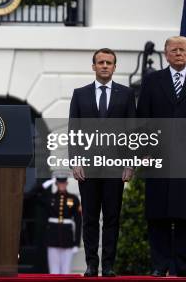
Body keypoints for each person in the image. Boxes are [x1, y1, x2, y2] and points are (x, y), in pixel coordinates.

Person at [137, 36, 186, 277]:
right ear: (166, 54)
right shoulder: (152, 81)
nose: (179, 54)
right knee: (158, 212)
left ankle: (185, 265)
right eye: (174, 50)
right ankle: (160, 264)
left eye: (183, 50)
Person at [68, 48, 136, 277]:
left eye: (109, 62)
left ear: (114, 67)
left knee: (112, 217)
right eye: (101, 62)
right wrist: (75, 161)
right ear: (94, 66)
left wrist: (130, 163)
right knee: (89, 218)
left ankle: (108, 265)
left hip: (115, 167)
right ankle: (91, 264)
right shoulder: (80, 94)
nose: (105, 65)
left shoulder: (126, 95)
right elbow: (73, 130)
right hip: (87, 166)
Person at [36, 171, 82, 275]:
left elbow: (78, 222)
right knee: (54, 271)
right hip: (52, 238)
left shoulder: (74, 199)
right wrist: (45, 184)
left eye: (63, 182)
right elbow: (34, 195)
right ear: (56, 183)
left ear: (66, 183)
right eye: (59, 183)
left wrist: (76, 243)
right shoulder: (50, 198)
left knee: (66, 271)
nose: (62, 185)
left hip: (68, 239)